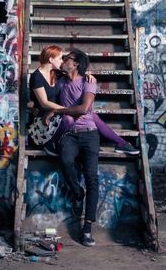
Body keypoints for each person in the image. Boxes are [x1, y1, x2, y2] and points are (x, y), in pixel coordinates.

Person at [28, 45, 139, 156]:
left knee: (92, 115)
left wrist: (87, 75)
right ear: (51, 60)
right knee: (70, 119)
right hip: (44, 118)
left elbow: (74, 72)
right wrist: (67, 110)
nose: (62, 61)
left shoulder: (56, 73)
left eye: (64, 58)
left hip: (57, 114)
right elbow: (44, 103)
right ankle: (51, 144)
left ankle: (121, 143)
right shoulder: (37, 76)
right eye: (60, 58)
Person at [43, 48, 99, 246]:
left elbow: (83, 109)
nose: (64, 60)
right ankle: (78, 193)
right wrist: (47, 108)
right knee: (66, 161)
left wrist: (56, 111)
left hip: (89, 134)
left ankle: (87, 228)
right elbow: (44, 93)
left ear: (75, 63)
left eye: (67, 58)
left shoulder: (88, 82)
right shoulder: (60, 82)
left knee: (92, 177)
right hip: (69, 135)